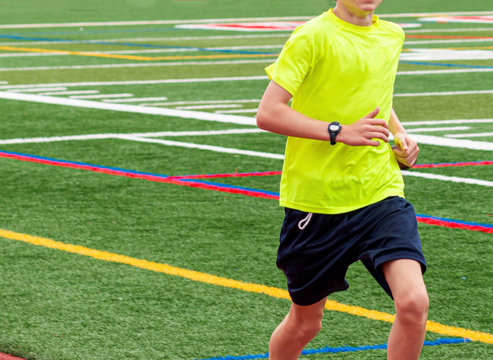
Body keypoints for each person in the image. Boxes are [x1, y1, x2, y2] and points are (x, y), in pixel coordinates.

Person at [256, 1, 429, 359]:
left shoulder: (392, 35)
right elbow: (268, 113)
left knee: (413, 303)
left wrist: (401, 135)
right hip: (316, 203)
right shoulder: (312, 36)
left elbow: (377, 93)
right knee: (307, 323)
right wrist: (338, 131)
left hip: (379, 193)